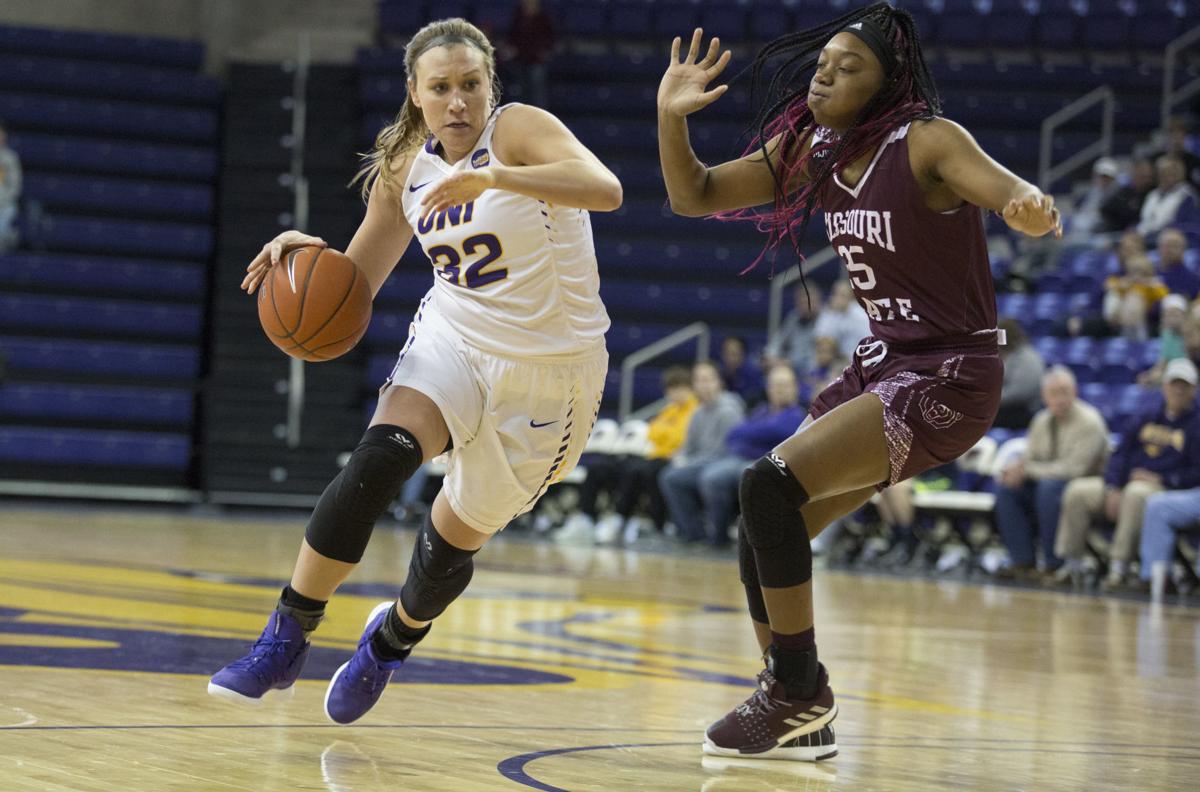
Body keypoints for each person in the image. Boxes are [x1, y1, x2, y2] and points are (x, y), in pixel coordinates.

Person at [657, 3, 1061, 761]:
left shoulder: (928, 142)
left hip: (950, 370)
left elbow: (1008, 191)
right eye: (824, 62)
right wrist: (669, 118)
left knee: (764, 485)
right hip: (883, 364)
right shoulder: (812, 147)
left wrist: (1028, 207)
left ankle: (794, 693)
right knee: (767, 530)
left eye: (850, 67)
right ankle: (800, 706)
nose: (826, 73)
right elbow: (696, 195)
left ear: (888, 84)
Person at [208, 18, 622, 726]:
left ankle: (391, 640)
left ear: (492, 86)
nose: (458, 101)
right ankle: (285, 636)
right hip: (455, 337)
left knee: (451, 540)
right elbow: (354, 286)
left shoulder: (519, 130)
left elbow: (604, 187)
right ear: (416, 93)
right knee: (377, 460)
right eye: (442, 88)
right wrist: (309, 261)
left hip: (553, 374)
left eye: (471, 85)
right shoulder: (406, 162)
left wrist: (493, 176)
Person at [1055, 358, 1200, 590]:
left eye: (1185, 385)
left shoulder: (1196, 424)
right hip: (1125, 483)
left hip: (1166, 488)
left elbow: (1196, 472)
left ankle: (1118, 567)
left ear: (1194, 389)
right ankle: (1072, 564)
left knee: (1136, 494)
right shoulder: (1147, 415)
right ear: (1165, 386)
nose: (1179, 389)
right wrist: (1113, 487)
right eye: (1174, 383)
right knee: (1078, 491)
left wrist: (1161, 479)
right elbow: (1120, 454)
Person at [556, 366, 696, 544]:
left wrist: (664, 433)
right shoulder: (670, 410)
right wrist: (665, 433)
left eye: (678, 388)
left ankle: (621, 518)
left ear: (688, 388)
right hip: (652, 454)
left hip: (670, 458)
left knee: (637, 471)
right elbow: (652, 431)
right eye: (670, 388)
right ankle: (586, 518)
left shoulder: (694, 410)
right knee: (601, 467)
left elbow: (678, 436)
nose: (673, 393)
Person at [993, 366, 1108, 581]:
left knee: (1049, 488)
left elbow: (1075, 469)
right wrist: (1016, 471)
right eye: (1053, 393)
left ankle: (1054, 563)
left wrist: (1029, 470)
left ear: (1075, 392)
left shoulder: (1090, 422)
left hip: (1085, 484)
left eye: (1064, 392)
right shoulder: (1040, 421)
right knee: (1006, 487)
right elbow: (1029, 458)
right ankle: (1022, 561)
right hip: (1046, 482)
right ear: (1045, 396)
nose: (1060, 399)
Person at [681, 363, 806, 549]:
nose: (779, 390)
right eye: (775, 385)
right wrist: (757, 433)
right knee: (695, 476)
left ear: (794, 388)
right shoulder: (762, 410)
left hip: (769, 464)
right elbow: (734, 433)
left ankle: (720, 538)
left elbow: (780, 431)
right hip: (739, 459)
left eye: (784, 385)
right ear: (768, 388)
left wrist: (752, 433)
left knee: (713, 477)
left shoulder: (797, 414)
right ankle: (701, 533)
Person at [657, 360, 745, 543]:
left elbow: (724, 451)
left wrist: (689, 462)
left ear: (718, 382)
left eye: (708, 380)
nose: (703, 385)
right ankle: (692, 533)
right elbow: (688, 447)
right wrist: (680, 458)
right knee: (669, 476)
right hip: (701, 463)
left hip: (727, 461)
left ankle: (718, 537)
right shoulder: (697, 412)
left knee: (709, 477)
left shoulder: (730, 409)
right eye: (699, 380)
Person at [1102, 252, 1168, 341]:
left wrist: (1147, 283)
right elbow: (1108, 285)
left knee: (1135, 298)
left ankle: (1140, 336)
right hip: (1122, 314)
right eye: (1133, 271)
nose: (1136, 275)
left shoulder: (1151, 283)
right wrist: (1123, 284)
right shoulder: (1126, 282)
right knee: (1116, 296)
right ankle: (1124, 334)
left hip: (1145, 313)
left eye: (1139, 271)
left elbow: (1164, 294)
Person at [993, 318, 1044, 430]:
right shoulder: (1009, 355)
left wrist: (991, 399)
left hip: (1027, 410)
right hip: (1010, 407)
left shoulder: (1027, 358)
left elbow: (1020, 393)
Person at [763, 282, 823, 375]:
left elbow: (815, 358)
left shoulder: (825, 321)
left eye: (809, 301)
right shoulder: (793, 317)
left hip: (811, 369)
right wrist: (771, 356)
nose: (805, 305)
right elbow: (777, 341)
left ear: (818, 302)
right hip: (788, 365)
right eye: (802, 302)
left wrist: (790, 363)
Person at [1137, 154, 1197, 243]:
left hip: (1168, 239)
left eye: (1170, 174)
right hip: (1146, 236)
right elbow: (1144, 220)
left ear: (1179, 175)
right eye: (1162, 173)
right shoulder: (1152, 195)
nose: (1165, 177)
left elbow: (1183, 225)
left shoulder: (1186, 196)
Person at [506, 0, 555, 108]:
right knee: (521, 92)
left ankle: (540, 117)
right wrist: (511, 49)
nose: (529, 4)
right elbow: (512, 37)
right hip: (520, 59)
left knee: (537, 93)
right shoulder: (518, 17)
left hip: (536, 60)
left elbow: (550, 39)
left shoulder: (543, 18)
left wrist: (544, 52)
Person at [813, 279, 870, 358]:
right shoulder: (829, 312)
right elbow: (819, 337)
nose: (838, 299)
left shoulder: (861, 315)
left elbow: (869, 341)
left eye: (842, 295)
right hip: (837, 358)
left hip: (858, 358)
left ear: (851, 297)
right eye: (836, 294)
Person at [1100, 158, 1154, 234]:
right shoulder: (1124, 191)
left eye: (1147, 176)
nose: (1146, 179)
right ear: (1134, 173)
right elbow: (1107, 210)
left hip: (1142, 232)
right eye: (1141, 175)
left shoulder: (1153, 193)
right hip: (1119, 231)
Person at [1152, 227, 1199, 300]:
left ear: (1183, 249)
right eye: (1167, 245)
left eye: (1175, 246)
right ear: (1159, 247)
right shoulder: (1149, 271)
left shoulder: (1191, 279)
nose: (1170, 250)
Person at [718, 334, 764, 406]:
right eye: (726, 353)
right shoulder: (720, 373)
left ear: (743, 354)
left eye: (734, 354)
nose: (730, 358)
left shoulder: (753, 374)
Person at [0, 121, 21, 252]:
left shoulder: (11, 158)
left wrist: (2, 200)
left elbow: (15, 186)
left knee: (8, 212)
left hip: (5, 203)